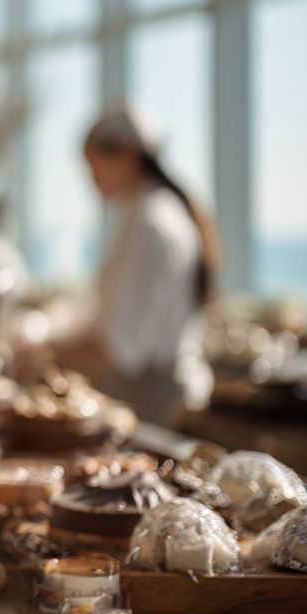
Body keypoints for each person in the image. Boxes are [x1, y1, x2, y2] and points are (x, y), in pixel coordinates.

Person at [52, 107, 218, 424]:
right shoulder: (156, 213)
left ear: (126, 154)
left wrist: (47, 355)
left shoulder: (150, 223)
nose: (92, 179)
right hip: (158, 391)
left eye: (93, 166)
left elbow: (121, 352)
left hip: (150, 402)